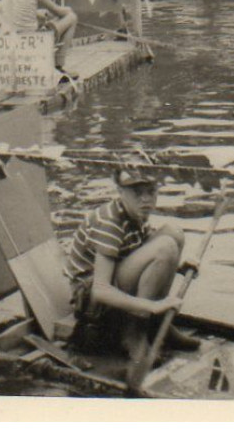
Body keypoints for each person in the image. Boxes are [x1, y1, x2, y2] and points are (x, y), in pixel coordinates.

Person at [65, 160, 197, 388]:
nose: (145, 199)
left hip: (115, 281)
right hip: (91, 301)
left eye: (151, 191)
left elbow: (143, 255)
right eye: (137, 192)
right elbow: (100, 290)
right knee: (165, 246)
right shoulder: (109, 222)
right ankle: (134, 332)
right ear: (120, 192)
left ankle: (155, 325)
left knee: (173, 233)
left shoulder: (135, 215)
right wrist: (152, 306)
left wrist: (180, 266)